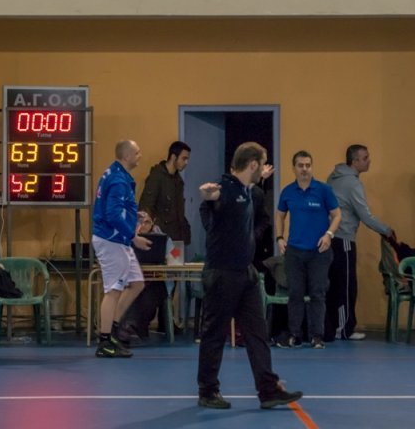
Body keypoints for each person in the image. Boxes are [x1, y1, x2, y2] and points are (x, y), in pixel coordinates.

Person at [197, 142, 302, 410]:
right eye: (262, 164)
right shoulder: (225, 190)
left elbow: (253, 204)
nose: (265, 169)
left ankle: (268, 390)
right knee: (215, 334)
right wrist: (208, 201)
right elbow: (210, 213)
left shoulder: (248, 191)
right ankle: (208, 390)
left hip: (246, 274)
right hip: (222, 274)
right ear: (253, 164)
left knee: (258, 333)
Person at [325, 144, 393, 341]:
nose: (368, 160)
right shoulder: (352, 183)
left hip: (330, 238)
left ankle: (334, 327)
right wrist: (387, 231)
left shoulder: (333, 177)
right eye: (364, 158)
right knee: (346, 286)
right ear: (354, 162)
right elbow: (365, 215)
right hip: (344, 239)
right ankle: (344, 329)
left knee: (335, 285)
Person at [275, 150, 341, 349]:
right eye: (300, 165)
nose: (305, 169)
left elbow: (337, 215)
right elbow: (279, 215)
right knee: (295, 293)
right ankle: (295, 334)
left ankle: (317, 336)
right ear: (294, 168)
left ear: (312, 167)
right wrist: (280, 238)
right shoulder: (287, 192)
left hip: (319, 252)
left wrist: (328, 235)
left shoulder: (323, 190)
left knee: (317, 293)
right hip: (294, 251)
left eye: (308, 165)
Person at [92, 140, 151, 358]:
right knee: (113, 290)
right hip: (111, 240)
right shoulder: (117, 180)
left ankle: (114, 329)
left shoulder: (117, 175)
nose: (140, 155)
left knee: (136, 284)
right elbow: (112, 214)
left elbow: (118, 209)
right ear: (126, 156)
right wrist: (133, 237)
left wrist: (135, 217)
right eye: (137, 152)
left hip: (119, 240)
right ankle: (104, 341)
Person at [135, 141, 191, 336]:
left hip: (176, 239)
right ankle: (143, 322)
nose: (186, 163)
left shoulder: (178, 180)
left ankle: (166, 321)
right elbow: (146, 206)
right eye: (184, 158)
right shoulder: (157, 177)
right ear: (173, 157)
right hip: (159, 239)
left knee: (173, 279)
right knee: (155, 279)